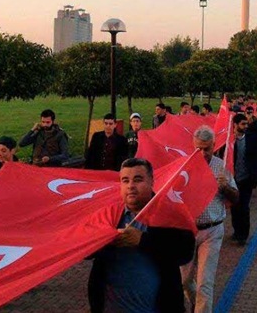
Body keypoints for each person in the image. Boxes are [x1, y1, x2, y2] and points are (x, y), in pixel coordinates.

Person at [88, 158, 195, 313]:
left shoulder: (169, 213)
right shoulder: (108, 216)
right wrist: (103, 239)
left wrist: (142, 240)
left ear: (152, 181)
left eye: (138, 180)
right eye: (125, 180)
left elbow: (184, 253)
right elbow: (85, 251)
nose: (131, 186)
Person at [182, 126, 238, 313]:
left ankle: (202, 308)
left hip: (212, 230)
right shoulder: (184, 167)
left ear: (214, 145)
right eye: (199, 148)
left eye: (207, 148)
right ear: (193, 146)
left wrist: (225, 188)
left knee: (205, 283)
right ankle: (195, 304)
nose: (203, 153)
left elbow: (236, 197)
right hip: (188, 231)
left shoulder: (221, 167)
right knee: (184, 280)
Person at [229, 114, 257, 245]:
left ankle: (243, 235)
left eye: (246, 124)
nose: (245, 126)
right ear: (235, 125)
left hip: (246, 179)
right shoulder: (229, 140)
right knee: (234, 207)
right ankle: (236, 231)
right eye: (243, 124)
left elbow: (255, 160)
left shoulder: (252, 139)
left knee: (244, 207)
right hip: (232, 180)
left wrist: (255, 177)